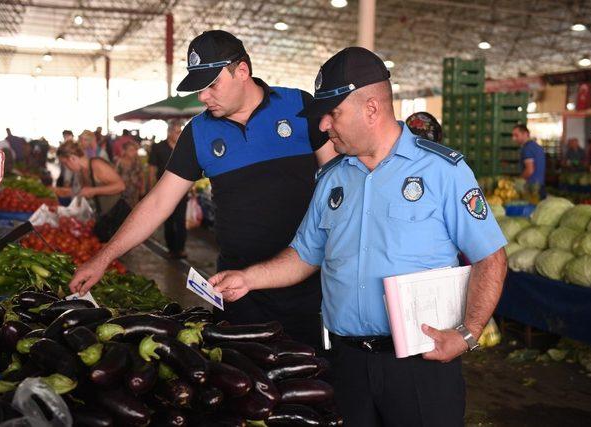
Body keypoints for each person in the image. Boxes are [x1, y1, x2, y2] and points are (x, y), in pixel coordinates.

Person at [210, 47, 508, 426]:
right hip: (347, 363)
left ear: (371, 109)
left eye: (332, 114)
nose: (322, 126)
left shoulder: (442, 171)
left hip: (421, 365)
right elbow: (304, 255)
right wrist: (248, 278)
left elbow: (490, 257)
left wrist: (467, 334)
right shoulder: (332, 179)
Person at [68, 30, 336, 349]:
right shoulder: (199, 132)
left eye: (212, 85)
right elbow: (158, 203)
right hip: (237, 290)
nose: (203, 97)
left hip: (308, 284)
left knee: (309, 380)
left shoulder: (298, 106)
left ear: (242, 71)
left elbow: (338, 182)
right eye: (199, 87)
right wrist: (103, 258)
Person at [148, 120, 188, 259]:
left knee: (181, 220)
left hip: (182, 189)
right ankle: (171, 248)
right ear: (170, 132)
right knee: (168, 220)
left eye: (181, 131)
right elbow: (152, 169)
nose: (180, 134)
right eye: (178, 131)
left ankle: (181, 248)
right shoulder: (158, 147)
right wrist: (152, 188)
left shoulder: (184, 147)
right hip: (163, 190)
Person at [54, 141, 125, 214]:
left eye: (65, 163)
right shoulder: (81, 172)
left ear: (73, 158)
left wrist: (94, 191)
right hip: (104, 215)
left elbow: (121, 186)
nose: (66, 167)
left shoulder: (96, 164)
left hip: (118, 214)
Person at [512, 124, 545, 196]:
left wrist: (519, 180)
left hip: (532, 188)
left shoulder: (527, 149)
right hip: (540, 185)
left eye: (516, 135)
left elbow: (529, 170)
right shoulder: (536, 146)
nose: (513, 138)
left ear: (525, 134)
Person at [116, 140, 144, 208]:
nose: (133, 152)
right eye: (131, 150)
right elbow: (116, 176)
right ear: (125, 151)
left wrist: (142, 188)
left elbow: (141, 175)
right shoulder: (120, 163)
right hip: (123, 192)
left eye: (135, 150)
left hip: (134, 191)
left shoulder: (137, 162)